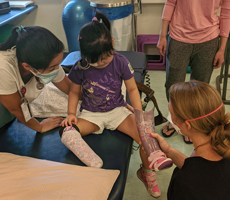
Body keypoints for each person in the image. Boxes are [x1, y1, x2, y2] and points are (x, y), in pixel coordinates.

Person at [61, 12, 172, 198]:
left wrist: (138, 114)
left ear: (112, 44)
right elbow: (73, 92)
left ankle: (147, 172)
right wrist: (71, 113)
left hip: (117, 111)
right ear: (84, 55)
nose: (99, 63)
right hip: (91, 114)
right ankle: (92, 160)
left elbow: (132, 90)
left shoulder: (120, 62)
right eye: (93, 60)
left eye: (104, 57)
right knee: (68, 131)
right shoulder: (80, 67)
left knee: (147, 136)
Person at [0, 26, 72, 159]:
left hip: (4, 112)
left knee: (12, 153)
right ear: (27, 66)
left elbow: (70, 89)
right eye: (53, 67)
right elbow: (17, 108)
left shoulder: (44, 60)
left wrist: (95, 99)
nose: (57, 69)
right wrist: (40, 127)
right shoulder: (0, 68)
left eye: (58, 64)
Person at [151, 80, 230, 200]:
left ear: (188, 125)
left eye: (171, 113)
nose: (170, 119)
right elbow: (204, 172)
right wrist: (169, 151)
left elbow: (198, 177)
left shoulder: (185, 184)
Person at [157, 0, 230, 144]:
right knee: (173, 85)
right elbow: (170, 3)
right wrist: (162, 36)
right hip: (178, 36)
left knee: (199, 88)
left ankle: (192, 125)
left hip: (208, 39)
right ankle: (174, 121)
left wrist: (222, 48)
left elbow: (227, 12)